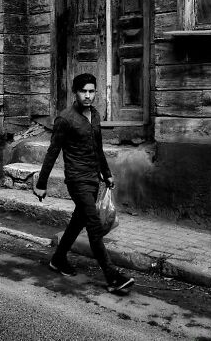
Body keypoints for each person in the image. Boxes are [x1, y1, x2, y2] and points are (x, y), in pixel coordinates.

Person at [34, 73, 134, 293]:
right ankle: (112, 277)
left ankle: (58, 259)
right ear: (75, 92)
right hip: (76, 180)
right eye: (83, 91)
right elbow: (52, 152)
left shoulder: (96, 116)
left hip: (92, 179)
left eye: (91, 91)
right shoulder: (65, 119)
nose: (88, 96)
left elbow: (97, 149)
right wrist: (41, 183)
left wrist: (106, 174)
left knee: (78, 221)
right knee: (93, 225)